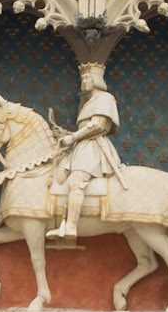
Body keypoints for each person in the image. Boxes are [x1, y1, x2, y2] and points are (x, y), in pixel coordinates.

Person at [48, 62, 126, 242]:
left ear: (97, 79)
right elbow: (84, 128)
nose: (84, 81)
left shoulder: (105, 98)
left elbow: (98, 125)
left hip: (94, 148)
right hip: (82, 146)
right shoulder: (88, 101)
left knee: (76, 181)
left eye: (87, 78)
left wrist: (73, 137)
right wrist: (66, 134)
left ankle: (71, 227)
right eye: (83, 78)